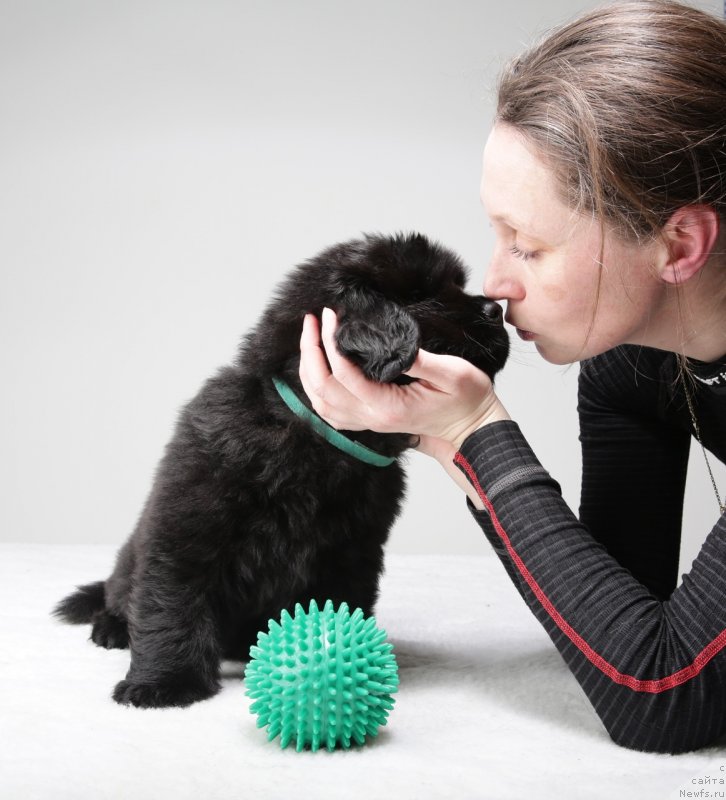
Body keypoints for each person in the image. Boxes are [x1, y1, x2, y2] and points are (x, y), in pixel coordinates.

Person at [297, 0, 726, 754]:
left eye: (526, 245)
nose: (494, 284)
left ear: (680, 243)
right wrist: (446, 440)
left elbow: (662, 696)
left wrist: (472, 433)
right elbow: (614, 617)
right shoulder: (630, 366)